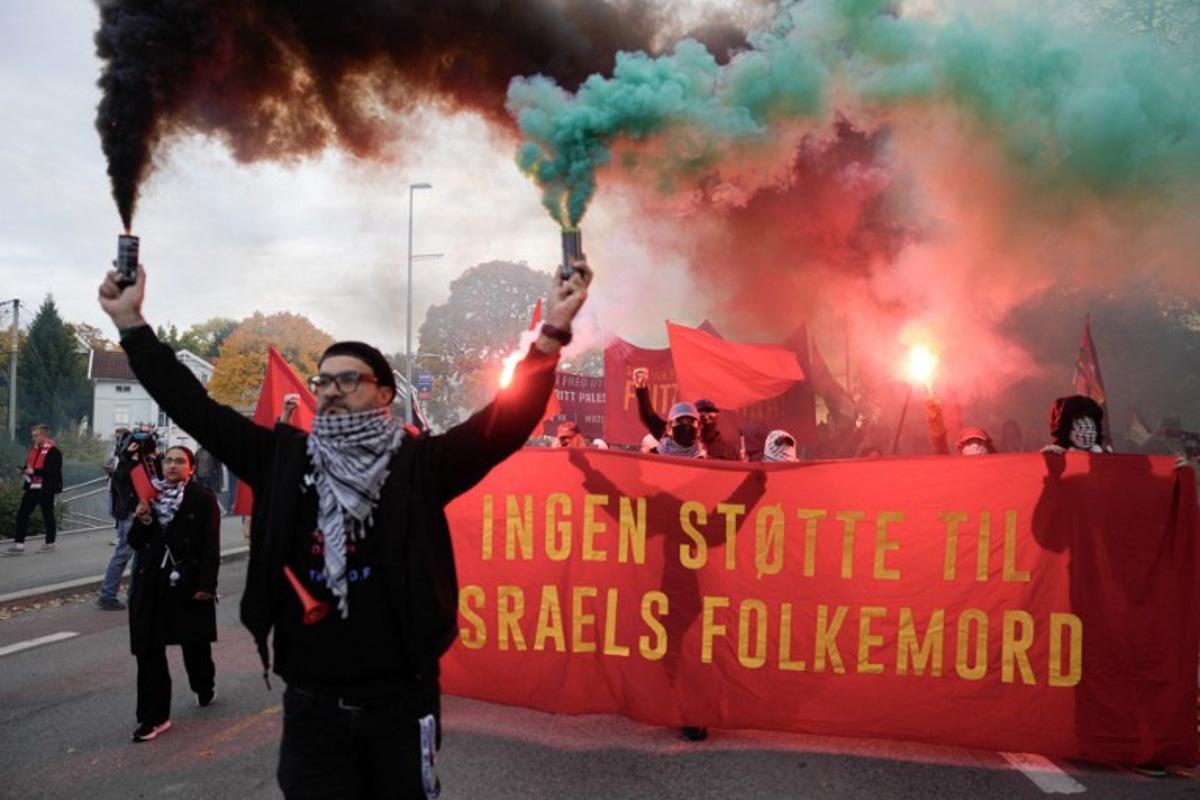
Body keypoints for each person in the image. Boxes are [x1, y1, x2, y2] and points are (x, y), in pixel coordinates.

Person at [99, 256, 591, 797]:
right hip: (312, 709)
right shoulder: (284, 458)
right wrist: (131, 324)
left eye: (348, 380)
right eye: (323, 381)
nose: (330, 390)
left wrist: (553, 334)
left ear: (384, 394)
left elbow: (503, 423)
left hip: (402, 707)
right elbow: (194, 408)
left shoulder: (419, 465)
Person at [127, 446, 221, 742]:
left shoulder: (203, 498)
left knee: (195, 645)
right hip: (151, 584)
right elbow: (136, 543)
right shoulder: (148, 496)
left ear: (190, 468)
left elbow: (210, 546)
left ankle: (204, 685)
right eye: (167, 460)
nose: (172, 466)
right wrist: (142, 519)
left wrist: (207, 586)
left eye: (180, 461)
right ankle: (153, 717)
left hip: (188, 583)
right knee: (148, 650)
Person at [99, 424, 161, 610]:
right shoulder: (125, 460)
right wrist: (127, 457)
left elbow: (158, 479)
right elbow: (120, 479)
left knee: (140, 555)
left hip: (144, 511)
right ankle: (108, 595)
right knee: (124, 553)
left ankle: (134, 593)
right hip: (129, 513)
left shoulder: (152, 461)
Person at [632, 368, 739, 460]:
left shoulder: (712, 456)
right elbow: (649, 417)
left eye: (691, 421)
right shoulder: (655, 456)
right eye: (680, 421)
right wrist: (641, 388)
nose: (686, 426)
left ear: (699, 429)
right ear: (669, 428)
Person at [6, 424, 63, 554]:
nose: (33, 438)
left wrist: (34, 471)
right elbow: (29, 466)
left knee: (47, 515)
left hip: (46, 488)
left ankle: (50, 543)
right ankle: (19, 544)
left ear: (44, 435)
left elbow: (52, 471)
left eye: (36, 436)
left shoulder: (54, 452)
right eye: (33, 436)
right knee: (22, 514)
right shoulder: (34, 450)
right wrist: (24, 470)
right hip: (32, 487)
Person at [1041, 395, 1113, 455]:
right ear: (1066, 430)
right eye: (1081, 428)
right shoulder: (1056, 453)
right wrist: (1049, 459)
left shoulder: (1103, 453)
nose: (1088, 434)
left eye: (1092, 429)